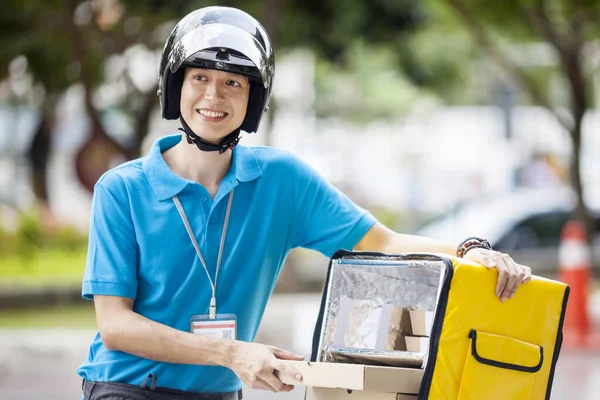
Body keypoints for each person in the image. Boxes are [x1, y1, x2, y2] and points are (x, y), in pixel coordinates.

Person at [77, 6, 532, 400]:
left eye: (233, 83)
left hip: (217, 391)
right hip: (128, 388)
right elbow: (116, 325)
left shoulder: (282, 182)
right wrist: (233, 352)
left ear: (253, 99)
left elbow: (384, 242)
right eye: (200, 78)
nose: (213, 96)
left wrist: (470, 251)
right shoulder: (121, 190)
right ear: (175, 86)